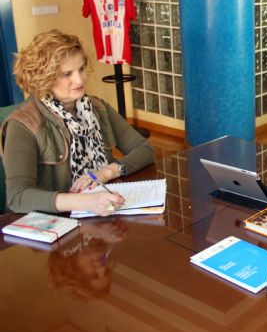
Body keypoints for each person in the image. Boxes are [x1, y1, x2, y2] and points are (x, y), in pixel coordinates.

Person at [0, 30, 155, 216]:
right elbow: (18, 197)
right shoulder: (23, 124)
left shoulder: (97, 107)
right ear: (43, 77)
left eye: (81, 69)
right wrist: (86, 202)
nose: (79, 80)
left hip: (103, 208)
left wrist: (106, 173)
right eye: (66, 74)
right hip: (54, 222)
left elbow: (145, 149)